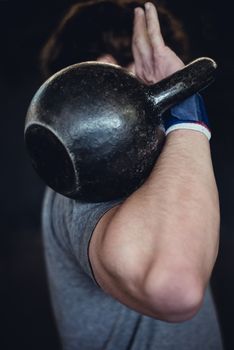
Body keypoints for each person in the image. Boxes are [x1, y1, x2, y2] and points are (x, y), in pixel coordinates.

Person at [41, 1, 223, 349]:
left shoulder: (170, 170)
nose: (114, 73)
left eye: (130, 65)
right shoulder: (83, 181)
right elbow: (174, 288)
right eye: (94, 64)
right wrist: (188, 119)